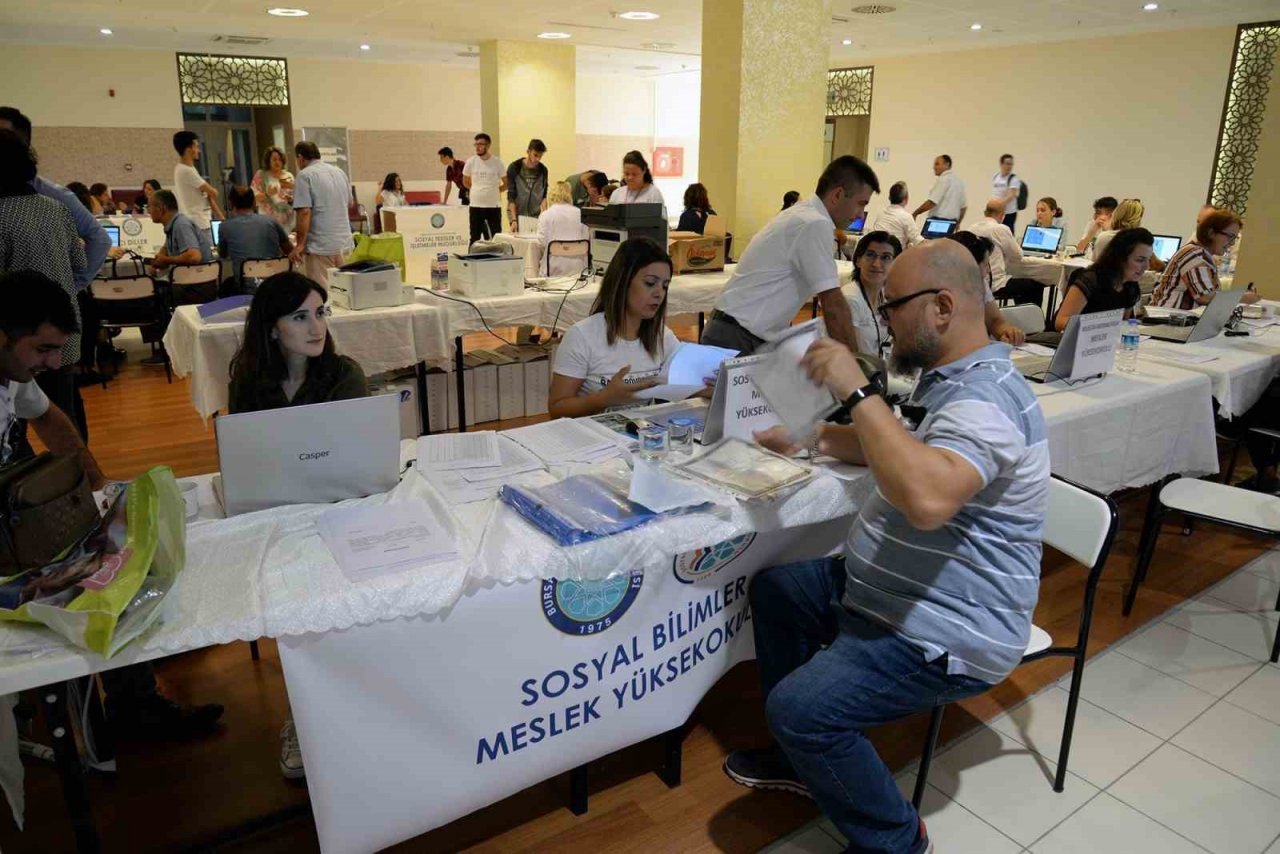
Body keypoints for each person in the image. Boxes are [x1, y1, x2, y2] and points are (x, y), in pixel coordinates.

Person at [728, 240, 1049, 854]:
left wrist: (855, 389)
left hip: (949, 627)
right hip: (888, 589)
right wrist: (812, 437)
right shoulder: (957, 380)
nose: (884, 319)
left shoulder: (988, 398)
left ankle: (896, 841)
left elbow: (927, 498)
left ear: (942, 308)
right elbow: (908, 448)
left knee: (801, 711)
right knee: (778, 589)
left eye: (892, 305)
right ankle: (807, 758)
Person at [1, 270, 224, 740]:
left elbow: (51, 421)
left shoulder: (11, 371)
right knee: (105, 572)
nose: (54, 361)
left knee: (124, 546)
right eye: (42, 349)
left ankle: (135, 666)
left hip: (16, 522)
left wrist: (98, 483)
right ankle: (130, 703)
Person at [227, 271, 366, 776]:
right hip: (278, 508)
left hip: (337, 505)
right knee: (286, 583)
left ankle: (327, 705)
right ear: (271, 327)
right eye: (300, 316)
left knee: (325, 580)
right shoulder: (248, 378)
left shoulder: (343, 374)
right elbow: (247, 461)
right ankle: (304, 711)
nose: (316, 327)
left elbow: (357, 463)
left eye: (321, 313)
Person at [702, 156, 878, 356]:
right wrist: (857, 364)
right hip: (737, 338)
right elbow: (833, 304)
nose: (860, 214)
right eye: (860, 204)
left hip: (737, 333)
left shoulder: (802, 214)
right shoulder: (814, 224)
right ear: (837, 195)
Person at [0, 129, 89, 437]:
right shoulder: (56, 208)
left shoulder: (1, 216)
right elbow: (80, 265)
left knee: (13, 421)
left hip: (18, 338)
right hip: (63, 330)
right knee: (65, 412)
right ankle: (79, 478)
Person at [548, 237, 681, 418]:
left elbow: (685, 384)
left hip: (642, 435)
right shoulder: (582, 336)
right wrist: (605, 398)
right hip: (593, 438)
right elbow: (557, 409)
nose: (659, 293)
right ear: (623, 281)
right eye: (650, 283)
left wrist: (709, 387)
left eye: (665, 286)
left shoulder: (662, 336)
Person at [1151, 208, 1259, 310]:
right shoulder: (1194, 254)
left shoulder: (1201, 254)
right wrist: (1242, 297)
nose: (1232, 243)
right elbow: (1204, 297)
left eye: (1235, 238)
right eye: (1229, 236)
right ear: (1211, 233)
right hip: (1167, 318)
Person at [1054, 227, 1152, 331]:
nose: (1147, 266)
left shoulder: (1130, 287)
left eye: (1148, 260)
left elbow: (1124, 324)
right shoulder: (1090, 280)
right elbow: (1061, 322)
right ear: (1120, 258)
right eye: (1140, 260)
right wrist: (1099, 326)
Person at [289, 140, 355, 287]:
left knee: (323, 295)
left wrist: (300, 245)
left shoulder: (304, 175)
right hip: (345, 244)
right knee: (345, 293)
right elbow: (349, 203)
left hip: (320, 246)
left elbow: (304, 212)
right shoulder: (340, 172)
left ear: (300, 158)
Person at [946, 231, 1027, 344]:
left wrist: (1007, 332)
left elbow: (995, 321)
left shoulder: (979, 283)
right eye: (985, 265)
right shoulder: (933, 288)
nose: (988, 271)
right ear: (970, 265)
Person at [217, 185, 292, 284]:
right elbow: (289, 250)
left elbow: (223, 254)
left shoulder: (225, 227)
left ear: (231, 204)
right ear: (254, 203)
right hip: (275, 283)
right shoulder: (271, 222)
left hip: (246, 286)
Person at [846, 231, 901, 358]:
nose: (876, 264)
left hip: (879, 366)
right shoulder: (850, 300)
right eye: (870, 255)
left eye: (886, 257)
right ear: (858, 260)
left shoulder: (885, 294)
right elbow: (850, 355)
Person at [149, 189, 213, 273]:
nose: (149, 211)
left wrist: (167, 260)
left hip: (196, 281)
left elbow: (194, 257)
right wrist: (159, 261)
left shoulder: (181, 225)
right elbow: (166, 248)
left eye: (149, 207)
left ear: (161, 209)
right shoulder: (173, 225)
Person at [172, 130, 224, 233]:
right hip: (198, 223)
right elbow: (214, 193)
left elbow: (209, 196)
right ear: (188, 149)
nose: (198, 150)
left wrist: (221, 217)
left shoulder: (187, 169)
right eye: (196, 146)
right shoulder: (186, 171)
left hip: (200, 221)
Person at [967, 198, 1022, 294]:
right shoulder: (1000, 229)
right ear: (1002, 215)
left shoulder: (971, 229)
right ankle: (1027, 309)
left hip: (974, 283)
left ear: (985, 213)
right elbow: (1017, 255)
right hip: (995, 284)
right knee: (1033, 285)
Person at [537, 181, 589, 276]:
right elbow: (586, 239)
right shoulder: (581, 214)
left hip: (553, 267)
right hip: (579, 266)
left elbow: (542, 243)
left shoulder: (546, 215)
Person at [463, 133, 506, 244]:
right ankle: (473, 260)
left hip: (493, 206)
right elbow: (465, 181)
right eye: (476, 144)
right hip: (475, 205)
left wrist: (495, 191)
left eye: (481, 144)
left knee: (496, 237)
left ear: (488, 145)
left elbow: (506, 183)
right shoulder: (471, 162)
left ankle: (496, 260)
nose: (477, 147)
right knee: (474, 237)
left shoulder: (497, 162)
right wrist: (476, 190)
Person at [506, 139, 549, 232]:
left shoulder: (543, 170)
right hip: (516, 214)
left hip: (534, 215)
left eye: (540, 156)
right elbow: (511, 196)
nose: (537, 159)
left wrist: (545, 216)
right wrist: (513, 220)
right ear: (528, 151)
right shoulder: (514, 167)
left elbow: (544, 196)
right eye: (535, 155)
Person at [912, 154, 966, 223]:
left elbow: (932, 202)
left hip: (937, 222)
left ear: (947, 164)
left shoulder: (943, 179)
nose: (934, 167)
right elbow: (963, 207)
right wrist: (958, 223)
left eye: (937, 164)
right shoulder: (959, 182)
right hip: (952, 224)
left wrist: (915, 213)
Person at [251, 145, 295, 230]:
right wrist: (267, 194)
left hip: (287, 222)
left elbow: (296, 198)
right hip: (267, 222)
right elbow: (253, 198)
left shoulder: (289, 176)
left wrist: (290, 199)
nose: (277, 162)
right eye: (274, 159)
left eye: (280, 159)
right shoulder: (261, 175)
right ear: (268, 161)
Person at [872, 181, 923, 248]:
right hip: (893, 255)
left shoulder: (881, 214)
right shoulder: (906, 217)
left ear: (889, 198)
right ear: (906, 198)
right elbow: (918, 241)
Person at [991, 154, 1022, 232]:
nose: (1009, 166)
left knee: (1007, 232)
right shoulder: (996, 176)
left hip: (1008, 212)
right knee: (996, 232)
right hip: (996, 211)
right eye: (1007, 164)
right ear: (1001, 164)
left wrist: (1000, 204)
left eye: (1011, 164)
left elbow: (1012, 194)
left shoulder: (1013, 178)